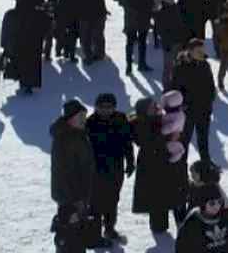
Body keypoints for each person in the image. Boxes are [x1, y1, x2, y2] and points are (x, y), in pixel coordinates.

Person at [130, 96, 186, 235]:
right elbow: (149, 142)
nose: (156, 107)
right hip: (152, 164)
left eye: (155, 104)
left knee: (173, 189)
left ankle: (180, 217)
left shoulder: (159, 119)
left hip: (165, 160)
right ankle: (159, 226)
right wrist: (166, 137)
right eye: (151, 106)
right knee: (156, 195)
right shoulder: (140, 125)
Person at [52, 100, 101, 249]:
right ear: (70, 118)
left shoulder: (78, 134)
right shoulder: (65, 139)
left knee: (77, 234)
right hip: (70, 196)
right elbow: (63, 173)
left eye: (84, 117)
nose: (83, 120)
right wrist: (75, 200)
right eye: (80, 117)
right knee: (69, 236)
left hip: (78, 195)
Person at [85, 93, 134, 243]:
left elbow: (127, 142)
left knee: (112, 200)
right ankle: (94, 233)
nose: (106, 110)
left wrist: (130, 161)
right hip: (95, 169)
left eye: (109, 107)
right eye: (102, 107)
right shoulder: (89, 123)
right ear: (96, 107)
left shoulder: (120, 118)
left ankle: (110, 228)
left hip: (115, 167)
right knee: (95, 202)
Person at [172, 39, 216, 163]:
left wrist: (210, 100)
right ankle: (181, 170)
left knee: (203, 141)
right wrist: (183, 106)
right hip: (188, 111)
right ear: (190, 51)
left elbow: (210, 86)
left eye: (203, 50)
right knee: (184, 142)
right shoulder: (180, 66)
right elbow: (175, 89)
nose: (202, 53)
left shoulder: (205, 65)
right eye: (199, 51)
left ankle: (206, 166)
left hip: (203, 109)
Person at [1, 0, 50, 95]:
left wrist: (4, 44)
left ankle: (21, 80)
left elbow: (5, 30)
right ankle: (29, 85)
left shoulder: (10, 14)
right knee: (32, 65)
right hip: (34, 44)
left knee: (19, 63)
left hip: (15, 45)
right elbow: (46, 27)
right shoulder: (39, 14)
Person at [175, 183, 228, 252]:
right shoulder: (192, 223)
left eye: (220, 202)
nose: (217, 206)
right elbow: (183, 249)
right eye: (212, 203)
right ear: (203, 203)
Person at [119, 0, 155, 76]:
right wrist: (140, 8)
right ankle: (129, 65)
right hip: (132, 20)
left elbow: (151, 0)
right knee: (130, 43)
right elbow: (125, 3)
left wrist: (150, 9)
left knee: (142, 43)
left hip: (144, 19)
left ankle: (142, 63)